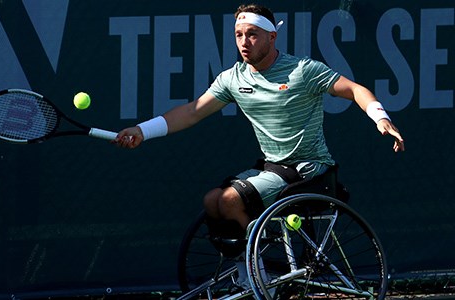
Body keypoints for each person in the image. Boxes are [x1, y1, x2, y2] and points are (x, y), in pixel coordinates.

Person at [114, 4, 404, 254]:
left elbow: (354, 89)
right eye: (239, 35)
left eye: (252, 34)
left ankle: (264, 259)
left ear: (271, 37)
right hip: (272, 168)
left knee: (229, 200)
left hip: (310, 171)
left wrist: (381, 117)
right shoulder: (232, 79)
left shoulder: (302, 71)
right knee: (212, 201)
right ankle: (245, 264)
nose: (244, 42)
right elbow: (192, 111)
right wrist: (142, 130)